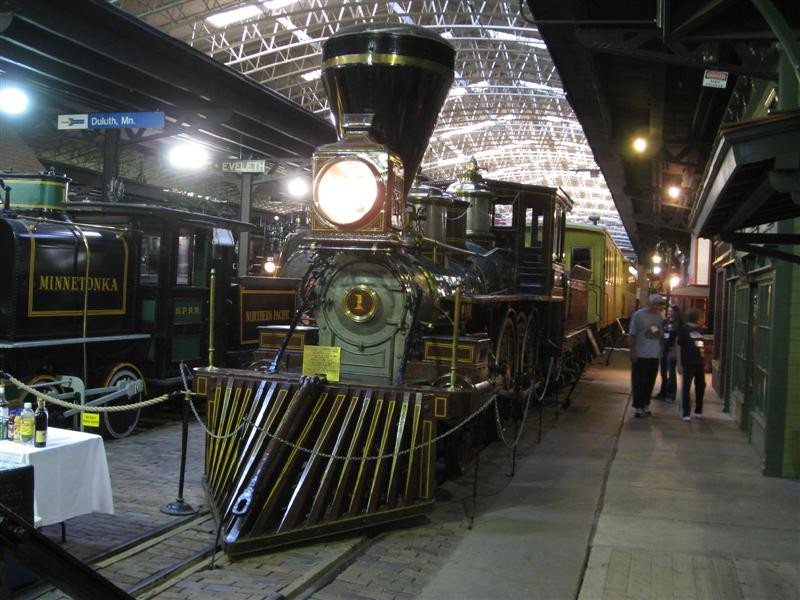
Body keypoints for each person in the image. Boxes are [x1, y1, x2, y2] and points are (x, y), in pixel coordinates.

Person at [628, 293, 665, 417]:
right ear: (650, 303)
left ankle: (645, 404)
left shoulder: (659, 317)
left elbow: (659, 333)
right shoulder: (639, 315)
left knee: (650, 381)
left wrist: (661, 348)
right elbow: (632, 334)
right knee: (639, 381)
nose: (658, 307)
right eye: (657, 304)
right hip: (641, 354)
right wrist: (633, 351)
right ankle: (638, 405)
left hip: (654, 355)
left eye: (660, 304)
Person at [675, 307, 706, 421]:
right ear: (697, 318)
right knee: (686, 386)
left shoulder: (701, 330)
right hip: (688, 362)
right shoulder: (684, 330)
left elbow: (701, 345)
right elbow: (678, 345)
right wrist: (679, 363)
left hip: (699, 362)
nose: (703, 319)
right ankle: (685, 412)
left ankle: (698, 409)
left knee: (701, 385)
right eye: (702, 317)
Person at [653, 304, 683, 402]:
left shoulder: (679, 324)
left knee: (671, 373)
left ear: (676, 312)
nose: (670, 313)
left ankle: (671, 395)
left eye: (672, 311)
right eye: (669, 311)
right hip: (664, 350)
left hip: (672, 350)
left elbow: (679, 339)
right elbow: (658, 331)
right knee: (663, 373)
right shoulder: (665, 322)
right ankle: (663, 393)